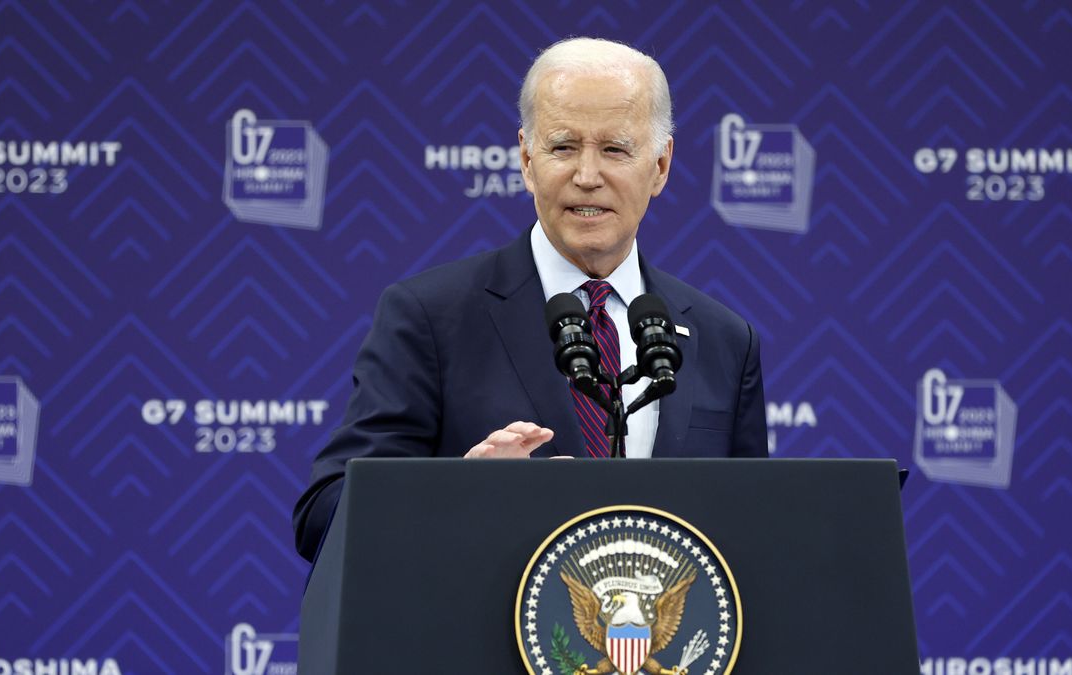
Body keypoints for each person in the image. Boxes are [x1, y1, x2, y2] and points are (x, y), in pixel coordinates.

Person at [293, 37, 767, 561]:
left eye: (615, 149)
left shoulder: (723, 339)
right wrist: (456, 496)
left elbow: (756, 533)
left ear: (659, 166)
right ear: (526, 159)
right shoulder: (429, 316)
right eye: (563, 147)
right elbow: (323, 515)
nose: (587, 177)